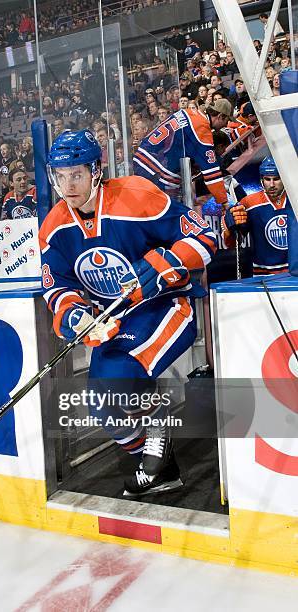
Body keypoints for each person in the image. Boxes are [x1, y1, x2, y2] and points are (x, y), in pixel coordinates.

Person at [39, 130, 217, 497]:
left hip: (167, 306)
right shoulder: (54, 227)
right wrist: (76, 316)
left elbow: (204, 238)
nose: (68, 184)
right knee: (98, 404)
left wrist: (165, 262)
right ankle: (160, 466)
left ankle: (157, 421)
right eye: (60, 175)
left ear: (95, 170)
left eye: (76, 174)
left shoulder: (137, 196)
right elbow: (56, 287)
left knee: (120, 376)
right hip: (115, 319)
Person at [133, 99, 233, 210]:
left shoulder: (188, 111)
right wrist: (224, 201)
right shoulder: (202, 129)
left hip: (142, 158)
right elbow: (211, 172)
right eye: (227, 120)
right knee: (168, 215)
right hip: (157, 171)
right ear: (220, 116)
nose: (226, 125)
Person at [222, 157, 290, 275]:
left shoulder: (294, 199)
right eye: (267, 179)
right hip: (264, 274)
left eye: (276, 179)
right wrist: (230, 229)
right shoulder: (249, 203)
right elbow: (232, 243)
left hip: (294, 272)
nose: (272, 184)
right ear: (262, 180)